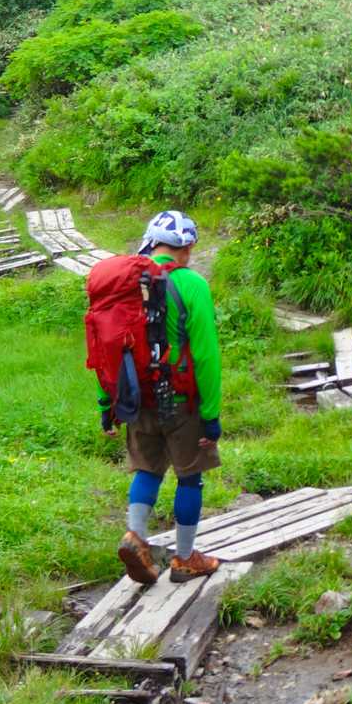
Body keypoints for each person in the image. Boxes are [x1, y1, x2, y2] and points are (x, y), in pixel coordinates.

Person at [106, 210, 224, 585]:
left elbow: (108, 346)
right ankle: (185, 559)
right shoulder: (192, 284)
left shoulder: (126, 283)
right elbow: (205, 355)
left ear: (151, 242)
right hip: (181, 398)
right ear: (186, 247)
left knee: (147, 469)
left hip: (138, 395)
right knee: (190, 478)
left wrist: (107, 403)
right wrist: (211, 415)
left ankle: (136, 537)